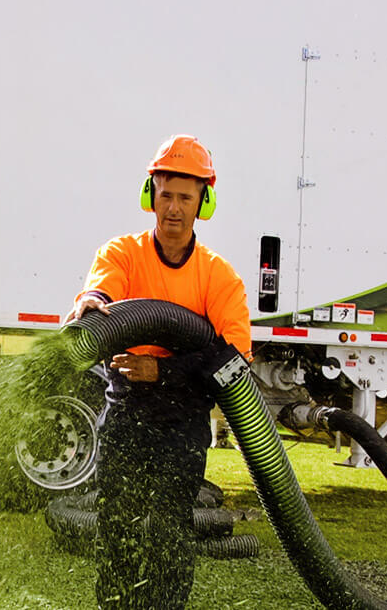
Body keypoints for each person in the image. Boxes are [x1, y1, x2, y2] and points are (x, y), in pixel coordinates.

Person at [64, 135, 251, 609]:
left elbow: (234, 363)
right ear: (151, 195)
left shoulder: (218, 277)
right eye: (165, 194)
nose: (173, 208)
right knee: (117, 535)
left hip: (182, 423)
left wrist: (161, 372)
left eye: (185, 197)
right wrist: (90, 306)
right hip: (126, 413)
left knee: (170, 537)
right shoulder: (123, 254)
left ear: (202, 202)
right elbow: (101, 294)